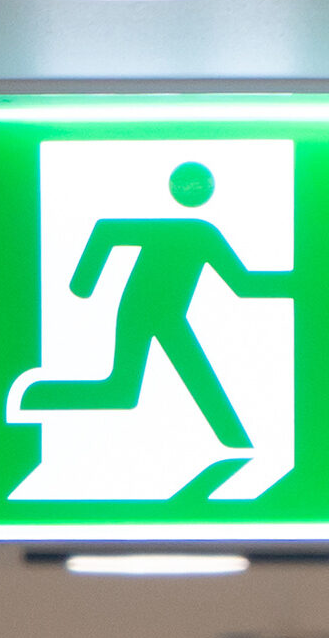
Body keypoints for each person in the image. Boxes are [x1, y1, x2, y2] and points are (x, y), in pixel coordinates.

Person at [18, 162, 292, 448]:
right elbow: (107, 230)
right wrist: (83, 283)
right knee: (126, 391)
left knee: (123, 391)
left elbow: (243, 284)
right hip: (139, 312)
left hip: (167, 315)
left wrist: (300, 282)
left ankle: (36, 397)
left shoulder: (204, 234)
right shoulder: (196, 232)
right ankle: (35, 398)